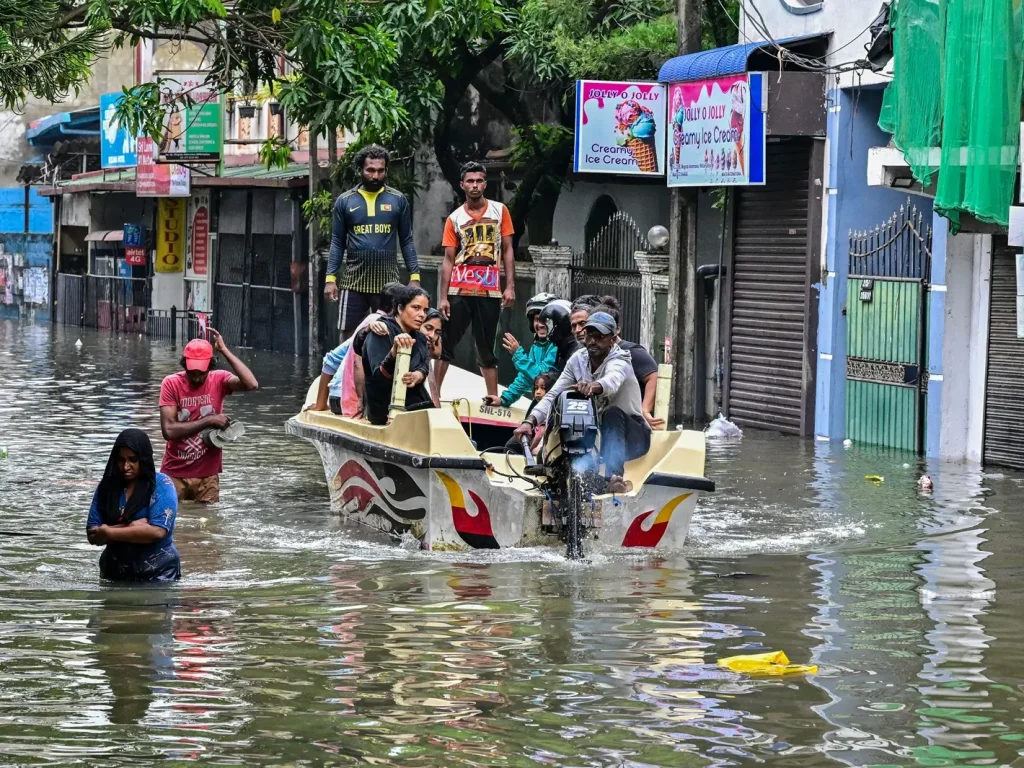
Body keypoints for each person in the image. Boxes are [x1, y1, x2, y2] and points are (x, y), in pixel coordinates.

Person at [514, 311, 651, 494]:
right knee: (566, 418)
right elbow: (553, 394)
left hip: (632, 437)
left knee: (612, 413)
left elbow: (612, 381)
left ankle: (614, 478)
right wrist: (530, 421)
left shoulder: (621, 359)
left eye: (600, 336)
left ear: (612, 339)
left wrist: (593, 386)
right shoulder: (577, 360)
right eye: (590, 335)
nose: (593, 341)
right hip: (598, 436)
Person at [436, 161, 516, 400]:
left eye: (479, 180)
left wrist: (510, 285)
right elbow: (448, 259)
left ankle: (492, 397)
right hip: (459, 288)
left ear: (485, 183)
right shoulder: (454, 218)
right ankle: (434, 396)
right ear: (462, 185)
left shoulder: (500, 211)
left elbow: (509, 249)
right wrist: (442, 297)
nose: (474, 185)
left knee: (486, 345)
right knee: (446, 342)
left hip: (490, 289)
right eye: (470, 181)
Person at [324, 145, 419, 339]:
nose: (375, 175)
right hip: (353, 282)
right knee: (348, 337)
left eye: (380, 171)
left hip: (388, 283)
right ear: (361, 170)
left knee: (391, 334)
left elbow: (407, 239)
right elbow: (337, 242)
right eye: (370, 170)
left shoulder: (398, 200)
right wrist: (330, 278)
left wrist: (414, 276)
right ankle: (348, 370)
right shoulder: (345, 201)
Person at [159, 330, 259, 503]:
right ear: (184, 366)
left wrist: (224, 350)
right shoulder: (171, 383)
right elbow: (168, 430)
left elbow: (251, 384)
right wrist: (209, 420)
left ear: (211, 367)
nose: (197, 378)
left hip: (208, 476)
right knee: (173, 523)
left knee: (208, 526)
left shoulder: (219, 380)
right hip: (175, 473)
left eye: (202, 373)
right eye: (192, 373)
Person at [87, 428, 180, 582]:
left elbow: (157, 532)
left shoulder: (161, 485)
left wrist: (108, 532)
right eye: (121, 460)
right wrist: (132, 527)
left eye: (133, 459)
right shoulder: (107, 488)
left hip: (160, 573)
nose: (126, 466)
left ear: (143, 459)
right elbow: (92, 534)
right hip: (114, 572)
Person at [310, 283, 402, 416]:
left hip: (336, 397)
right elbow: (357, 363)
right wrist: (361, 403)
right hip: (349, 401)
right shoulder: (380, 325)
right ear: (399, 308)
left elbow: (331, 359)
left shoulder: (371, 321)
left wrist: (321, 404)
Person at [361, 286, 433, 425]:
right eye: (416, 308)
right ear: (400, 308)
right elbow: (379, 379)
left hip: (415, 405)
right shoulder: (381, 331)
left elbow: (424, 365)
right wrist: (394, 352)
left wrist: (417, 375)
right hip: (385, 412)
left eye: (425, 310)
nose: (422, 315)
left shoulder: (420, 338)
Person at [589, 298, 665, 429]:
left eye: (601, 333)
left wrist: (645, 409)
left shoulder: (629, 352)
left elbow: (653, 376)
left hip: (627, 420)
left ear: (615, 330)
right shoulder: (585, 355)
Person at [483, 292, 559, 408]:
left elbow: (542, 378)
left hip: (556, 405)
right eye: (537, 319)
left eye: (545, 320)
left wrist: (518, 354)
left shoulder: (557, 346)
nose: (540, 325)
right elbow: (525, 379)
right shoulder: (538, 345)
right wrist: (503, 399)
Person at [538, 299, 581, 374]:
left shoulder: (575, 351)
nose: (548, 330)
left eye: (550, 324)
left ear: (560, 325)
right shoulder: (563, 347)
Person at [420, 308, 444, 406]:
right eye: (428, 328)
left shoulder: (431, 343)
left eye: (437, 332)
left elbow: (437, 353)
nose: (432, 336)